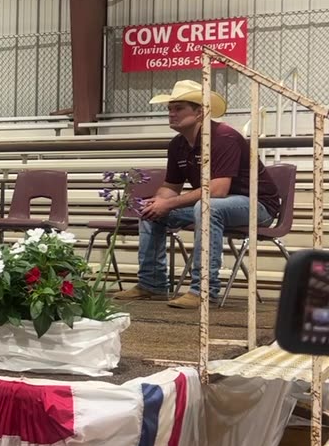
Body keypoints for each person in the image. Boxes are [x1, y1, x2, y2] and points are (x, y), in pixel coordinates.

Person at [113, 80, 281, 309]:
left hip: (258, 206)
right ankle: (151, 284)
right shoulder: (177, 145)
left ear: (200, 111)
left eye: (179, 108)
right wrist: (158, 202)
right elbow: (171, 185)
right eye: (169, 109)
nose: (171, 114)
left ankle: (203, 289)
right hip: (218, 204)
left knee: (208, 206)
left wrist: (169, 203)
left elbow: (218, 190)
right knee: (152, 211)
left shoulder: (224, 137)